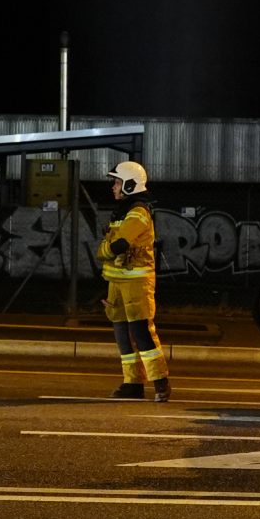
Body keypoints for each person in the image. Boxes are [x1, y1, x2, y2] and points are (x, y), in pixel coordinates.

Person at [99, 160, 167, 402]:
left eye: (117, 182)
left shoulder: (138, 211)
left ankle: (160, 383)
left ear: (129, 184)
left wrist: (104, 251)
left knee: (141, 333)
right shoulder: (124, 211)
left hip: (137, 284)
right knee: (122, 334)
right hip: (117, 283)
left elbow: (118, 245)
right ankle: (132, 383)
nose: (113, 187)